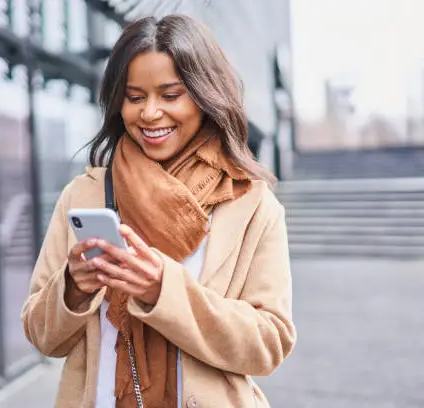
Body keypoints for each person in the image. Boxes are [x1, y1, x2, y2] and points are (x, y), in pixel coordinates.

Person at [21, 15, 296, 408]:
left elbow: (269, 343)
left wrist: (162, 291)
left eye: (170, 95)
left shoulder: (251, 203)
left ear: (205, 95)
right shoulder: (84, 195)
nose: (150, 113)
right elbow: (42, 334)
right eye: (134, 97)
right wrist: (73, 287)